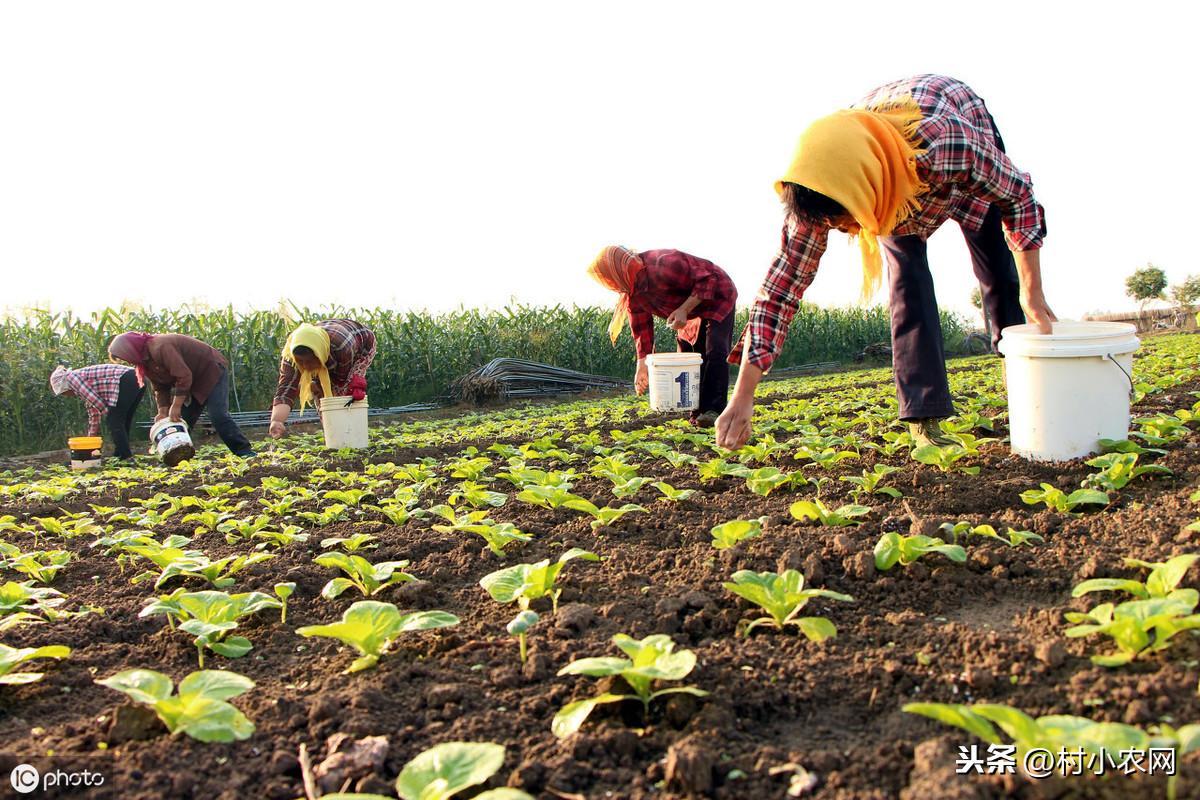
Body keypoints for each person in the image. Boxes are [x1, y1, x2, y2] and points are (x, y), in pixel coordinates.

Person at [716, 74, 1056, 450]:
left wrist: (1032, 292)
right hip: (888, 183)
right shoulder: (816, 191)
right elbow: (779, 291)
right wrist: (743, 394)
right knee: (906, 285)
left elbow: (1018, 197)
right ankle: (925, 420)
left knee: (999, 270)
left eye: (846, 220)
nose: (848, 232)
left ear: (862, 191)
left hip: (942, 146)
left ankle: (1023, 384)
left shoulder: (945, 144)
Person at [588, 246, 737, 426]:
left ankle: (714, 410)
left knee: (715, 349)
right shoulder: (633, 295)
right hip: (692, 310)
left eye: (609, 278)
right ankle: (697, 414)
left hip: (718, 295)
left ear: (618, 271)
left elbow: (709, 278)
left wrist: (683, 309)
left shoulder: (663, 263)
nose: (612, 285)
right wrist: (641, 366)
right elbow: (642, 331)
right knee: (690, 357)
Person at [108, 332, 255, 457]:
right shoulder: (144, 363)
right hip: (192, 378)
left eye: (124, 356)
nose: (126, 360)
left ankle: (244, 452)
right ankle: (176, 457)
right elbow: (160, 387)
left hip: (210, 369)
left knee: (218, 415)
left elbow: (184, 376)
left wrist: (176, 405)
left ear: (130, 348)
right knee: (180, 421)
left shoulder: (160, 346)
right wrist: (163, 411)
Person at [268, 320, 376, 438]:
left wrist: (321, 386)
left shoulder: (342, 347)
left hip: (361, 346)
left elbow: (340, 382)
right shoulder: (290, 356)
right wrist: (277, 421)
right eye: (300, 361)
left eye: (309, 361)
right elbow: (285, 389)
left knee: (345, 392)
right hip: (330, 348)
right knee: (321, 396)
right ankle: (333, 435)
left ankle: (352, 434)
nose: (305, 366)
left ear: (319, 354)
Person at [49, 363, 145, 460]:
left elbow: (95, 400)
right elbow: (94, 413)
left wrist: (109, 416)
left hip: (125, 378)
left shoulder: (72, 378)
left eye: (63, 393)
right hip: (136, 377)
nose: (66, 395)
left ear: (64, 386)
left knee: (114, 421)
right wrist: (90, 441)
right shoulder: (81, 380)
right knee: (122, 421)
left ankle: (125, 456)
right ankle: (120, 454)